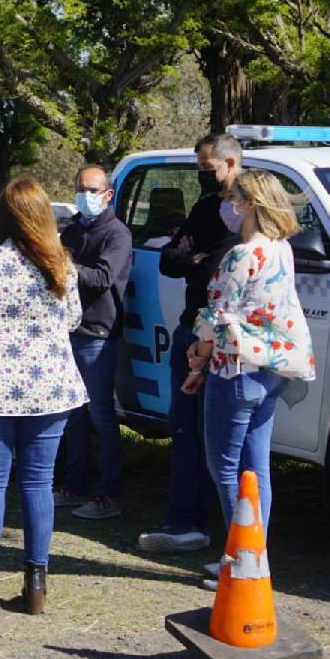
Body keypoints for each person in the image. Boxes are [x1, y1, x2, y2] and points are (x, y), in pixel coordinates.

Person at [0, 175, 86, 618]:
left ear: (2, 218)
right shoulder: (62, 265)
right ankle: (36, 583)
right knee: (38, 482)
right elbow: (72, 320)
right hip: (51, 387)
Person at [181, 169, 315, 533]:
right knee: (256, 469)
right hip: (271, 368)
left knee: (225, 468)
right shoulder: (282, 249)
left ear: (250, 204)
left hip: (234, 370)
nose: (229, 207)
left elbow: (218, 315)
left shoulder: (242, 254)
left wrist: (198, 360)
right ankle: (255, 552)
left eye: (233, 199)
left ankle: (239, 550)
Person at [138, 133, 242, 553]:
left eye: (206, 168)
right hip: (191, 329)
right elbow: (170, 260)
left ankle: (238, 541)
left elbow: (219, 268)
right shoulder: (204, 206)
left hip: (228, 340)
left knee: (224, 442)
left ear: (230, 163)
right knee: (183, 429)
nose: (202, 176)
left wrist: (200, 260)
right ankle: (184, 522)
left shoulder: (250, 212)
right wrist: (194, 260)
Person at [53, 164, 133, 520]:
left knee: (101, 416)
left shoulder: (117, 234)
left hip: (98, 335)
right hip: (67, 331)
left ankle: (108, 494)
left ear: (108, 194)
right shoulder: (71, 230)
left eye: (93, 190)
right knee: (73, 417)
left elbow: (101, 278)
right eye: (81, 189)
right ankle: (74, 486)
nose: (86, 196)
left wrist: (64, 267)